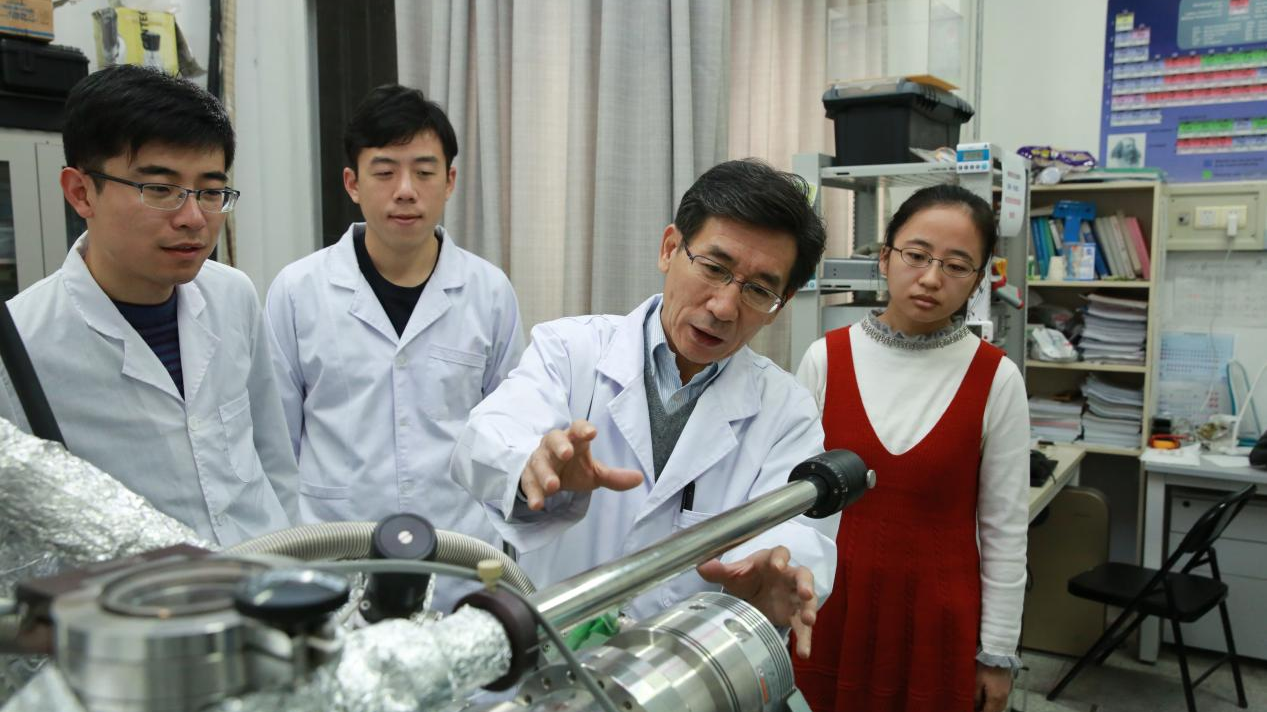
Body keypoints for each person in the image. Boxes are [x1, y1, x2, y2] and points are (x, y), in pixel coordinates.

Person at [452, 159, 833, 656]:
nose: (723, 307)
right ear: (670, 248)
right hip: (555, 664)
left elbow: (800, 535)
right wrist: (532, 466)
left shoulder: (786, 413)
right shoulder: (571, 351)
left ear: (785, 299)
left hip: (687, 677)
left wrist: (773, 574)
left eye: (759, 290)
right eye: (714, 268)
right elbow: (487, 438)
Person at [0, 65, 298, 545]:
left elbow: (274, 461)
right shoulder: (20, 346)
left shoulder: (232, 296)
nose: (193, 218)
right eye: (159, 189)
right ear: (81, 193)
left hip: (265, 586)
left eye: (211, 191)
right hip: (137, 609)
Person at [263, 85, 523, 600]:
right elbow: (277, 444)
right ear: (352, 183)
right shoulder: (298, 290)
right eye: (384, 172)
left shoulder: (488, 292)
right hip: (334, 554)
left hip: (460, 556)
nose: (405, 190)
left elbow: (506, 434)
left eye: (424, 172)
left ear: (449, 181)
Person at [790, 184, 1029, 711]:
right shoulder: (824, 359)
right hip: (832, 608)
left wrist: (997, 653)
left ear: (978, 277)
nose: (930, 278)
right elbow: (791, 507)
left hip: (938, 618)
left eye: (956, 265)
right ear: (885, 257)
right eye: (916, 255)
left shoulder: (997, 378)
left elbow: (1005, 529)